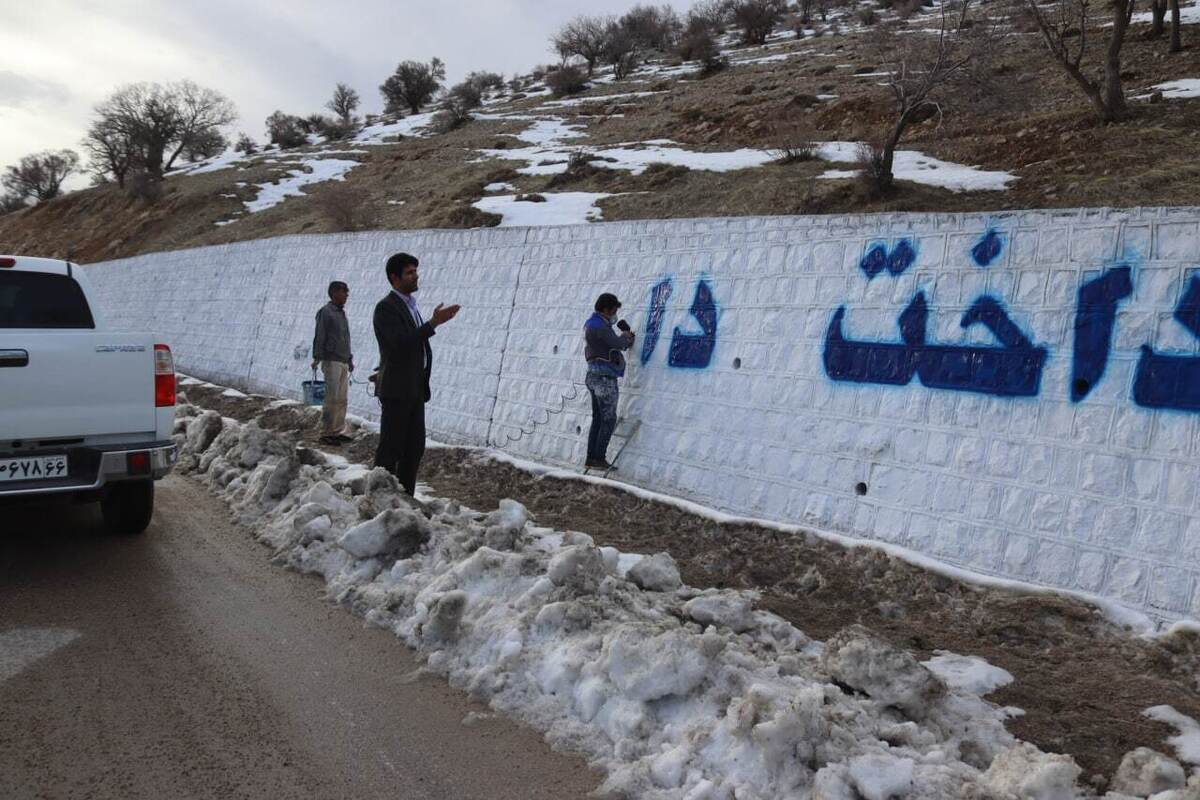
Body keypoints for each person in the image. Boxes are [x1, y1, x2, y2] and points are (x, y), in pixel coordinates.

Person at [373, 252, 460, 495]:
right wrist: (432, 324)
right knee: (391, 449)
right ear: (395, 277)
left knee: (413, 449)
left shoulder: (409, 306)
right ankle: (379, 497)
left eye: (415, 272)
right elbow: (399, 344)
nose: (415, 276)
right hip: (397, 390)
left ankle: (404, 499)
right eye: (409, 273)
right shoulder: (386, 307)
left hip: (414, 388)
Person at [583, 293, 635, 470]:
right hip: (604, 379)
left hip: (592, 376)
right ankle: (599, 458)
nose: (614, 315)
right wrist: (627, 337)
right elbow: (618, 344)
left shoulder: (590, 323)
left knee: (598, 418)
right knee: (609, 419)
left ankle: (591, 458)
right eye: (613, 311)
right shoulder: (601, 327)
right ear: (606, 309)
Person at [311, 280, 354, 445]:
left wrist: (349, 358)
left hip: (343, 360)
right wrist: (317, 357)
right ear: (334, 293)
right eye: (344, 291)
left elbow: (345, 338)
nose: (347, 295)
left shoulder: (341, 313)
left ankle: (337, 430)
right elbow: (320, 335)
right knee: (332, 398)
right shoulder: (326, 312)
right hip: (331, 360)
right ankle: (326, 432)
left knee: (342, 398)